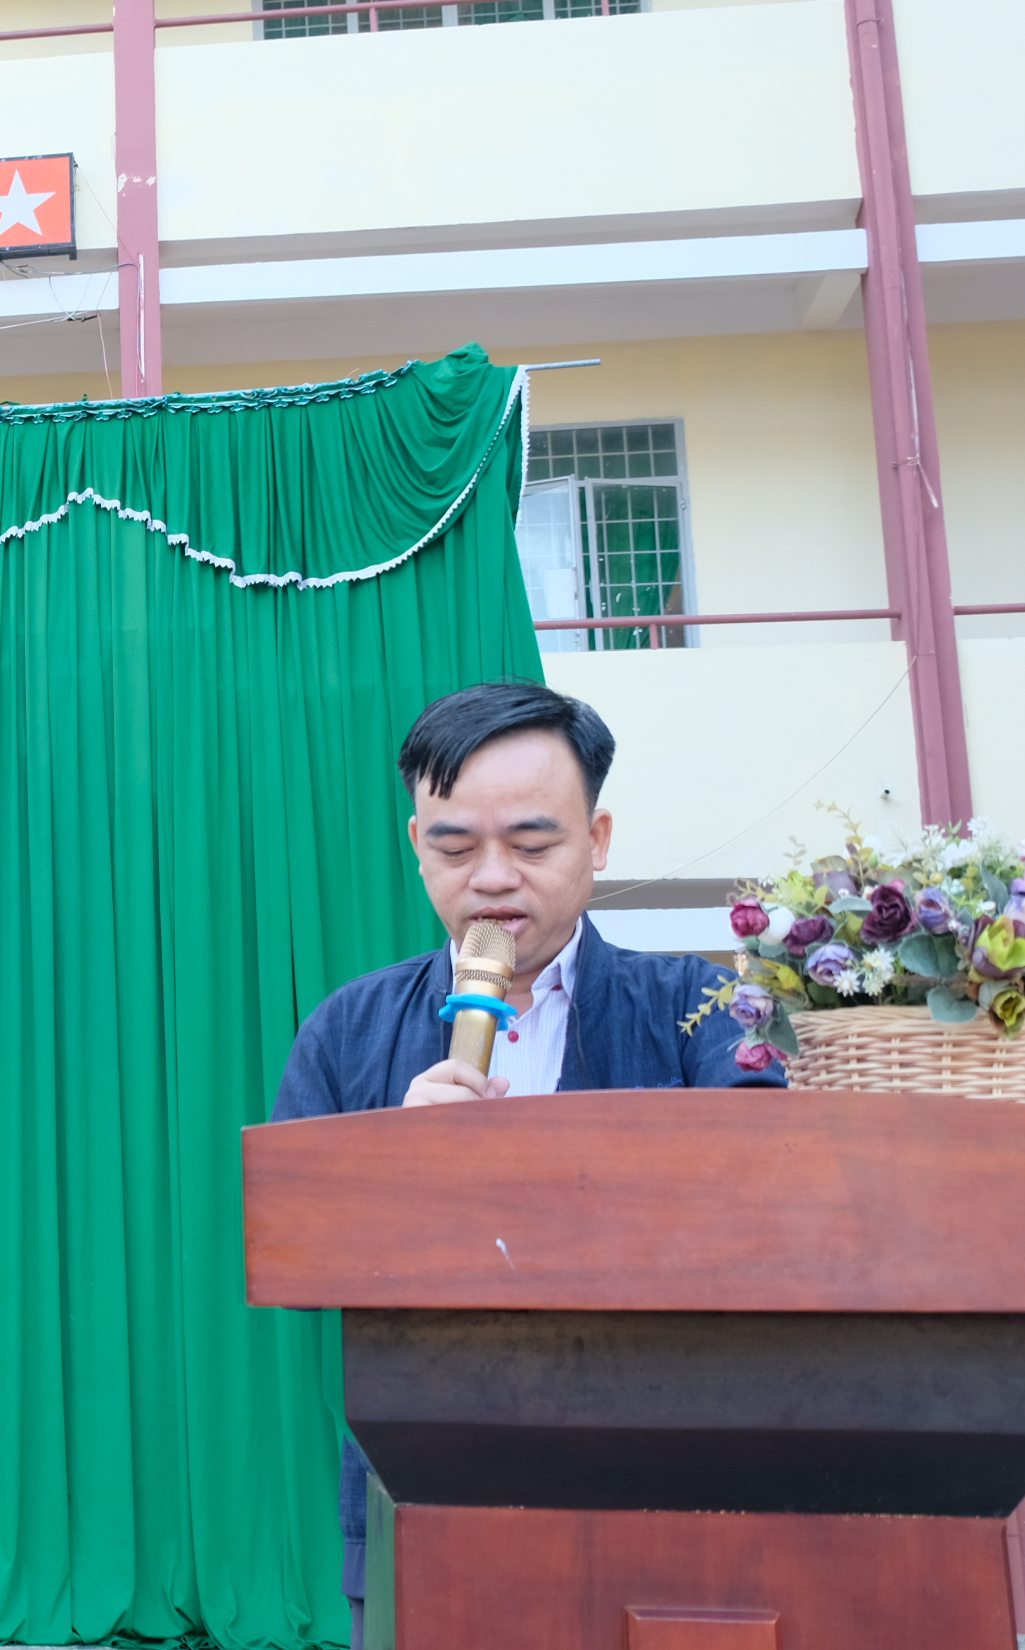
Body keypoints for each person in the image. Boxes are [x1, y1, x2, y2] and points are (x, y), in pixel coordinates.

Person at [272, 680, 778, 1642]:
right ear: (415, 845)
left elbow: (767, 1208)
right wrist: (391, 1171)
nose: (493, 880)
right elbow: (292, 1257)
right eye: (455, 847)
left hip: (669, 1482)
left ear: (599, 840)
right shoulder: (348, 1028)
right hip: (423, 1490)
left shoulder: (699, 1009)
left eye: (533, 845)